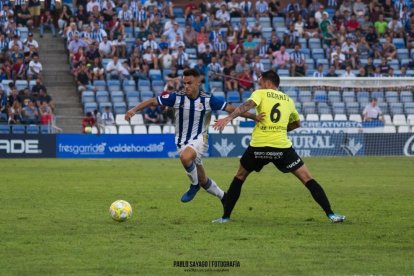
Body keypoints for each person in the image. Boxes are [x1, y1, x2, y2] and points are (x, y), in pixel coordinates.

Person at [213, 70, 346, 223]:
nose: (259, 83)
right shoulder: (288, 100)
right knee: (307, 178)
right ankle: (331, 214)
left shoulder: (260, 93)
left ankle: (225, 217)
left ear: (268, 82)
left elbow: (246, 105)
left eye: (261, 81)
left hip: (258, 146)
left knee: (240, 177)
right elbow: (297, 123)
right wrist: (281, 129)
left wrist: (229, 117)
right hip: (281, 147)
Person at [125, 68, 261, 205]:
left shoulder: (207, 100)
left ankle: (193, 185)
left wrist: (253, 116)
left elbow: (232, 109)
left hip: (199, 138)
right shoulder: (177, 97)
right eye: (184, 83)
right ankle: (224, 198)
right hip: (181, 142)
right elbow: (153, 101)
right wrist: (133, 110)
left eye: (189, 83)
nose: (186, 86)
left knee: (185, 157)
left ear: (197, 83)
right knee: (203, 180)